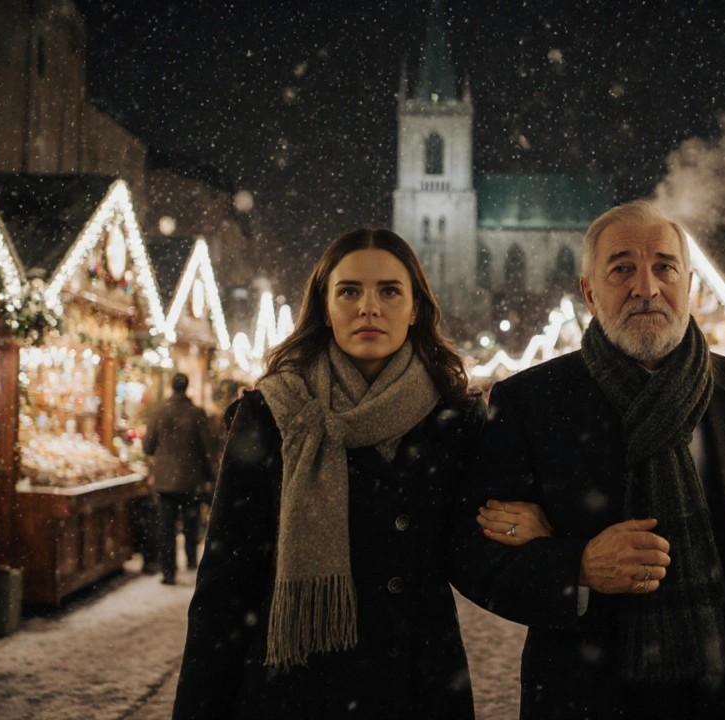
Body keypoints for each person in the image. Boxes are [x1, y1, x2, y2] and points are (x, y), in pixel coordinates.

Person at [172, 228, 547, 719]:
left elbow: (476, 552)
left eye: (389, 291)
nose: (369, 307)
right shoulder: (270, 415)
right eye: (349, 291)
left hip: (415, 684)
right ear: (324, 307)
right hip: (293, 689)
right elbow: (225, 587)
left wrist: (537, 532)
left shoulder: (456, 420)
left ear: (415, 309)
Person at [461, 201, 725, 720]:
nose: (645, 288)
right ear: (589, 291)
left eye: (664, 267)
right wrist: (577, 565)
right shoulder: (531, 403)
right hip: (591, 696)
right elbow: (476, 556)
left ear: (688, 284)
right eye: (622, 268)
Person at [142, 372, 215, 585]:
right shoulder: (196, 413)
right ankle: (191, 559)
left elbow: (148, 446)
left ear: (171, 387)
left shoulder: (159, 413)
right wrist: (211, 476)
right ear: (187, 387)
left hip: (165, 481)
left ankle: (168, 571)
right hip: (191, 479)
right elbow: (206, 448)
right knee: (191, 520)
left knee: (167, 526)